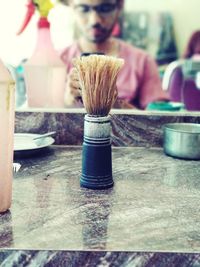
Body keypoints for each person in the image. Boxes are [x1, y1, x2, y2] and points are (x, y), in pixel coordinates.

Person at [61, 0, 169, 109]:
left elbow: (159, 121)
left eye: (105, 8)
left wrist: (115, 104)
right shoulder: (57, 61)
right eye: (83, 9)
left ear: (119, 7)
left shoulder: (143, 62)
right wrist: (66, 104)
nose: (95, 20)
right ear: (71, 7)